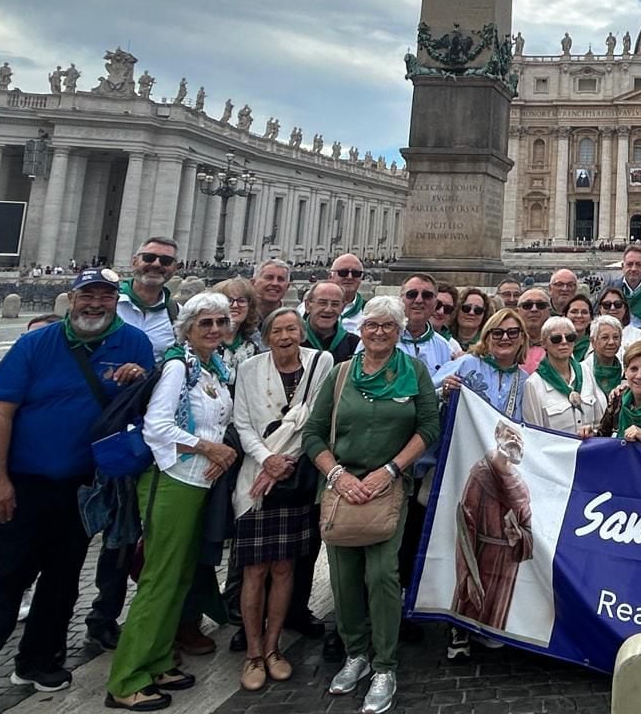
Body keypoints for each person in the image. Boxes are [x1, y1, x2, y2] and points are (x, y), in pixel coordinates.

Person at [0, 269, 151, 714]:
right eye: (87, 295)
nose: (94, 304)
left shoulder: (134, 343)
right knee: (1, 582)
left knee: (63, 580)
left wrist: (136, 381)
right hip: (22, 484)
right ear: (71, 299)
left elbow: (145, 409)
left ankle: (38, 660)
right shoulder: (34, 344)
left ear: (116, 300)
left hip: (84, 487)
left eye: (104, 296)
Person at [304, 296, 440, 714]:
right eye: (371, 325)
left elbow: (428, 426)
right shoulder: (342, 373)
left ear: (399, 331)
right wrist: (337, 475)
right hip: (342, 487)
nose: (378, 332)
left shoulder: (413, 372)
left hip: (388, 486)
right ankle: (355, 653)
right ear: (360, 330)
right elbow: (312, 433)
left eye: (387, 326)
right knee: (344, 579)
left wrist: (391, 470)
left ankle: (384, 664)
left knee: (382, 575)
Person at [105, 294, 239, 710]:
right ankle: (126, 679)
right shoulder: (179, 367)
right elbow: (157, 426)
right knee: (159, 580)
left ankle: (159, 660)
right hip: (171, 480)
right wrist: (208, 449)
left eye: (220, 322)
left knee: (180, 576)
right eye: (205, 324)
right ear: (188, 328)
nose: (214, 329)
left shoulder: (213, 367)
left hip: (198, 484)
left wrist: (216, 451)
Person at [230, 308, 334, 692]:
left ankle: (274, 648)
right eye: (278, 330)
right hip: (257, 479)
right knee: (255, 570)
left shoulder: (320, 363)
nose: (286, 335)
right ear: (267, 335)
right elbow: (241, 423)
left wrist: (286, 461)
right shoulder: (250, 369)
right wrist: (267, 459)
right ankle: (253, 652)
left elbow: (320, 418)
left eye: (293, 328)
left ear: (302, 332)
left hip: (295, 478)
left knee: (285, 568)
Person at [452, 421, 532, 633]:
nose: (515, 439)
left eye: (519, 437)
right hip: (481, 556)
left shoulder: (522, 487)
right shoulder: (481, 474)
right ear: (498, 434)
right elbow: (465, 523)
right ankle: (460, 634)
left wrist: (520, 536)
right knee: (470, 610)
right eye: (510, 433)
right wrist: (468, 573)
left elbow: (528, 529)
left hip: (507, 562)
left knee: (495, 622)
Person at [435, 309, 529, 421]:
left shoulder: (525, 381)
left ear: (522, 338)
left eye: (512, 332)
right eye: (497, 333)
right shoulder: (466, 364)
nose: (505, 337)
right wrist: (444, 393)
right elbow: (426, 397)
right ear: (487, 338)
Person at [521, 317, 600, 436]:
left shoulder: (586, 371)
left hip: (589, 451)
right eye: (556, 339)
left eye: (570, 337)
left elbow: (599, 422)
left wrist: (592, 431)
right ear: (544, 344)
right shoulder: (533, 384)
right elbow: (534, 435)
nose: (564, 342)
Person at [116, 236, 182, 363]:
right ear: (134, 262)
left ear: (175, 268)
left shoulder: (177, 313)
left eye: (166, 261)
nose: (156, 264)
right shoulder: (106, 304)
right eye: (148, 258)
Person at [397, 276, 454, 375]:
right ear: (400, 299)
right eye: (412, 294)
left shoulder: (445, 348)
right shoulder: (379, 338)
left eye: (427, 295)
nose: (419, 300)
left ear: (435, 304)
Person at [213, 277, 262, 380]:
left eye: (241, 301)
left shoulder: (252, 348)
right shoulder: (206, 344)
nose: (235, 305)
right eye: (228, 300)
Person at [302, 281, 359, 363]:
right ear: (307, 305)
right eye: (322, 303)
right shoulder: (295, 341)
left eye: (335, 304)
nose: (328, 309)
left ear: (342, 308)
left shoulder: (354, 345)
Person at [578, 316, 625, 414]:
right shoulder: (580, 371)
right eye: (605, 337)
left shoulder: (628, 371)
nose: (611, 342)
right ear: (593, 341)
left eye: (616, 337)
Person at [327, 253, 368, 332]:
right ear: (330, 277)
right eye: (343, 272)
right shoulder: (309, 309)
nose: (349, 277)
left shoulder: (369, 311)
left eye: (356, 273)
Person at [515, 288, 552, 369]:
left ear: (549, 311)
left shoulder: (560, 341)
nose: (534, 309)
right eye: (527, 305)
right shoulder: (508, 341)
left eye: (540, 305)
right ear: (518, 311)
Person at [450, 288, 490, 353]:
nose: (471, 313)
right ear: (457, 310)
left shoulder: (488, 343)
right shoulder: (445, 337)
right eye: (466, 308)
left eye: (478, 310)